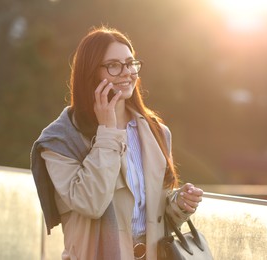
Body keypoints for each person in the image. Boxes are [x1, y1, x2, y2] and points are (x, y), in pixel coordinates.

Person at [30, 26, 204, 260]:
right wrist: (108, 131)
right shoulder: (60, 140)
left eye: (130, 63)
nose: (127, 72)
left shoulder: (157, 132)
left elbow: (155, 213)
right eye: (113, 65)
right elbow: (90, 203)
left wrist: (179, 203)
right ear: (91, 73)